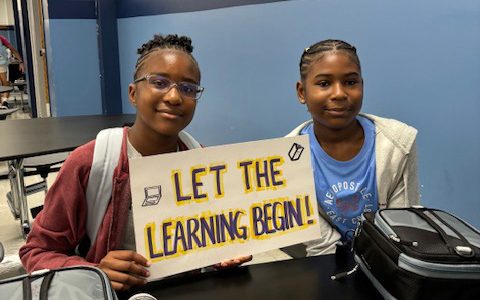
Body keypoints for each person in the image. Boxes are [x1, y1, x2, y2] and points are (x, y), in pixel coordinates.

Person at [20, 34, 251, 291]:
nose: (174, 97)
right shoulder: (89, 163)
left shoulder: (202, 162)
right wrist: (94, 272)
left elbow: (214, 238)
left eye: (188, 88)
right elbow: (37, 251)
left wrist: (223, 253)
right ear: (133, 93)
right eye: (159, 82)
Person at [287, 39, 419, 255]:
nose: (339, 93)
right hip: (327, 262)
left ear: (362, 85)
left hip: (387, 259)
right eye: (324, 84)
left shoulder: (399, 143)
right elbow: (320, 244)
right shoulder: (287, 158)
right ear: (302, 92)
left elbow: (401, 227)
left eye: (350, 82)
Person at [0, 35, 24, 102]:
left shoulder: (1, 38)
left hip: (2, 64)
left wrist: (20, 62)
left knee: (5, 83)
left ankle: (4, 102)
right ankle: (2, 103)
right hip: (2, 63)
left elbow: (13, 49)